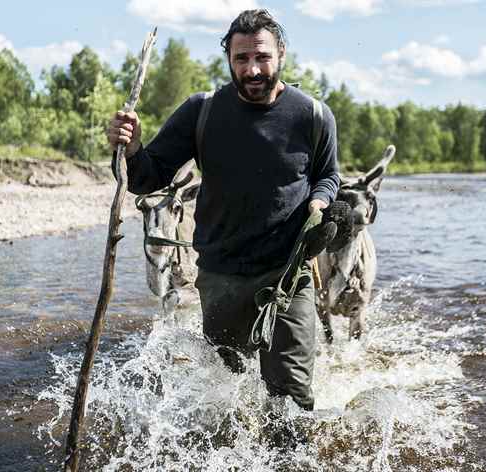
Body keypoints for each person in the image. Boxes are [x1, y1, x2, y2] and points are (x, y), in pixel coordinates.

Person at [107, 9, 339, 410]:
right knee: (226, 395)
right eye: (241, 59)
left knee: (291, 401)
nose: (252, 70)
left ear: (281, 53)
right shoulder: (203, 111)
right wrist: (131, 146)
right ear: (228, 59)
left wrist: (320, 201)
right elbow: (147, 178)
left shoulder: (313, 115)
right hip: (220, 279)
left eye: (262, 57)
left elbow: (328, 175)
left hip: (287, 276)